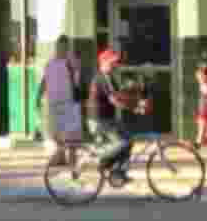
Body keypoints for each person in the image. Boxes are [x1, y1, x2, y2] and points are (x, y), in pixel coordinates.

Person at [87, 48, 143, 186]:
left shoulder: (110, 77)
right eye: (112, 62)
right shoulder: (102, 78)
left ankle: (117, 172)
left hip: (108, 120)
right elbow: (114, 100)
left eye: (116, 62)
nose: (115, 65)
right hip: (100, 121)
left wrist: (136, 100)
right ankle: (100, 157)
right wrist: (134, 108)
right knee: (123, 142)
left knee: (129, 140)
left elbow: (120, 95)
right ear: (104, 62)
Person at [36, 34, 83, 164]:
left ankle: (72, 160)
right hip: (53, 102)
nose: (61, 49)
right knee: (55, 133)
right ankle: (61, 156)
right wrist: (38, 96)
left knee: (71, 134)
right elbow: (44, 80)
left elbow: (77, 79)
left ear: (68, 47)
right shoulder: (50, 63)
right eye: (59, 46)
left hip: (69, 102)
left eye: (64, 46)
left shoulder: (72, 62)